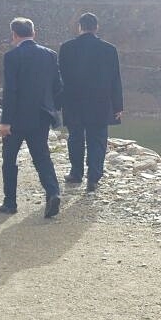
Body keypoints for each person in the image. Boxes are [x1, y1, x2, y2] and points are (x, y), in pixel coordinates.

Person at [0, 17, 63, 218]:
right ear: (34, 33)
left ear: (14, 34)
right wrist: (53, 108)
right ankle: (53, 192)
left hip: (16, 118)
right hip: (41, 116)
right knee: (42, 157)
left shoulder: (11, 56)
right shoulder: (50, 55)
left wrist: (5, 121)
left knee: (9, 159)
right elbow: (58, 86)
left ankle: (10, 203)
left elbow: (11, 90)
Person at [59, 12, 123, 192]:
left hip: (73, 102)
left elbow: (60, 78)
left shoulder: (67, 48)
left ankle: (76, 173)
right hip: (100, 104)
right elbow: (115, 80)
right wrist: (118, 106)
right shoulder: (109, 49)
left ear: (80, 27)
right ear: (96, 27)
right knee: (98, 140)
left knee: (75, 138)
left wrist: (59, 101)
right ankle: (93, 178)